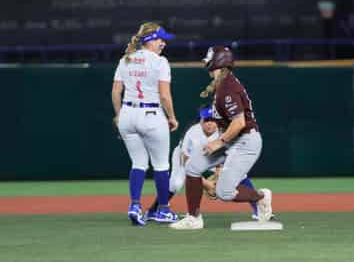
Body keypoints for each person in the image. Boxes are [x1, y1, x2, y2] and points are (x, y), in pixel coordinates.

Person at [170, 46, 273, 229]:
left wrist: (218, 142)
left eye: (208, 59)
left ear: (216, 61)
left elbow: (239, 122)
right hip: (233, 139)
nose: (205, 63)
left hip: (245, 141)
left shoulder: (227, 87)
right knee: (193, 167)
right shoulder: (222, 84)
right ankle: (193, 218)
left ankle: (261, 197)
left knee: (224, 192)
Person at [111, 22, 179, 226]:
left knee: (138, 163)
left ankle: (134, 206)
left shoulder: (126, 59)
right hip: (151, 114)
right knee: (161, 165)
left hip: (127, 114)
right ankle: (164, 210)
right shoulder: (160, 62)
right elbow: (165, 96)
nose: (163, 43)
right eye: (160, 39)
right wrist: (172, 117)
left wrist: (118, 115)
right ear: (150, 40)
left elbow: (115, 92)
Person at [145, 105, 260, 220]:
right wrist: (205, 183)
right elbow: (187, 163)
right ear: (200, 120)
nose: (209, 123)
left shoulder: (223, 132)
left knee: (241, 176)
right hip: (184, 157)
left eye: (213, 120)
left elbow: (227, 154)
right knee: (176, 183)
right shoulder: (192, 133)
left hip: (211, 157)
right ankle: (153, 211)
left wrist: (220, 171)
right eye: (206, 120)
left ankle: (259, 210)